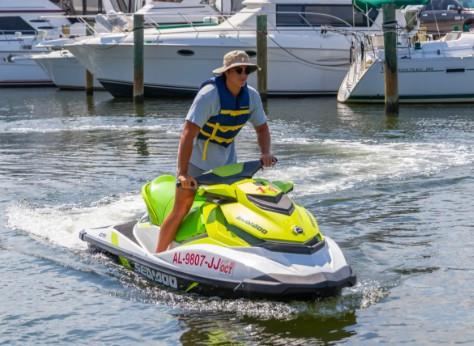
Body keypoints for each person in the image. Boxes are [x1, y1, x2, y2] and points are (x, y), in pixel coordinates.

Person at [155, 50, 276, 252]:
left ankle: (234, 249)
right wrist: (183, 173)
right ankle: (157, 255)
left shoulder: (251, 96)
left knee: (234, 204)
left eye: (247, 70)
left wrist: (265, 152)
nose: (243, 75)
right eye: (238, 70)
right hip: (196, 159)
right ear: (227, 73)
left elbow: (262, 128)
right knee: (182, 207)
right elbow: (188, 133)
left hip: (227, 160)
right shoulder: (209, 95)